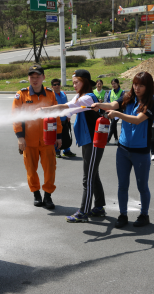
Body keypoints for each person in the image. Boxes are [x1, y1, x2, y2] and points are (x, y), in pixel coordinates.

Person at [92, 72, 154, 228]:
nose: (137, 88)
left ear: (147, 87)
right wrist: (99, 105)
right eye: (135, 84)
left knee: (142, 186)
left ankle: (144, 215)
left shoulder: (152, 102)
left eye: (141, 85)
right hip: (123, 149)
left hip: (141, 151)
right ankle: (123, 215)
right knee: (122, 185)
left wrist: (117, 115)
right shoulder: (129, 96)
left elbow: (137, 120)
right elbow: (114, 104)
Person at [39, 70, 105, 223]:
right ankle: (99, 207)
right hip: (87, 141)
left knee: (87, 178)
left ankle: (83, 212)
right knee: (92, 175)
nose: (73, 85)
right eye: (73, 82)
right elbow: (68, 112)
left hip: (93, 142)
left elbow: (66, 107)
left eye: (77, 82)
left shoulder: (88, 98)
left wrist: (44, 110)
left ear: (85, 82)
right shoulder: (80, 97)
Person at [12, 65, 62, 209]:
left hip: (48, 139)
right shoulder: (21, 95)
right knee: (31, 169)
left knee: (50, 168)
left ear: (43, 77)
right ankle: (36, 194)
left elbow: (56, 115)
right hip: (29, 140)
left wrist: (58, 135)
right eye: (32, 77)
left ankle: (48, 195)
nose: (35, 80)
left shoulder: (50, 94)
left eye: (37, 76)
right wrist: (20, 137)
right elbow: (16, 117)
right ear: (28, 78)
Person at [51, 78, 76, 158]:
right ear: (52, 86)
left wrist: (69, 115)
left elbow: (68, 105)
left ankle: (67, 150)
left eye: (58, 84)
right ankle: (57, 151)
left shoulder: (63, 94)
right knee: (56, 136)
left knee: (66, 135)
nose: (57, 86)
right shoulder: (51, 95)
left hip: (65, 119)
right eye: (55, 85)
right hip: (55, 120)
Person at [105, 78, 125, 145]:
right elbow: (108, 100)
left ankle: (108, 139)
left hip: (118, 111)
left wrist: (115, 107)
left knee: (113, 124)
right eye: (112, 84)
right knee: (114, 125)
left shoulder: (122, 92)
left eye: (115, 83)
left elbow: (122, 102)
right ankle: (116, 139)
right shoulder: (111, 91)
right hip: (111, 110)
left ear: (118, 84)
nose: (113, 85)